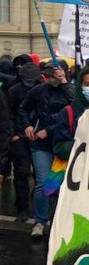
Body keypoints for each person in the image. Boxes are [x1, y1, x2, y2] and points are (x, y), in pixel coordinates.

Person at [17, 61, 74, 238]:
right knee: (42, 182)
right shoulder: (38, 91)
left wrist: (48, 131)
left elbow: (76, 109)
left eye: (54, 76)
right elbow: (23, 109)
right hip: (40, 146)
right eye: (48, 76)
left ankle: (58, 219)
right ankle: (40, 221)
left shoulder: (71, 91)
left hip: (63, 145)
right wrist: (27, 125)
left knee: (57, 184)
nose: (51, 79)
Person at [48, 64, 89, 218]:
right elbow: (60, 147)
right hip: (73, 178)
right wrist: (87, 147)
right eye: (88, 85)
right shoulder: (67, 112)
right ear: (80, 86)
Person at [7, 61, 40, 221]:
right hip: (20, 137)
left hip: (39, 136)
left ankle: (37, 204)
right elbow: (9, 114)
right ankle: (22, 209)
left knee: (41, 175)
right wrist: (14, 134)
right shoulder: (14, 91)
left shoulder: (42, 88)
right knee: (21, 173)